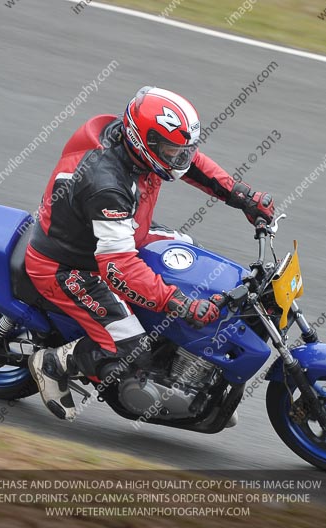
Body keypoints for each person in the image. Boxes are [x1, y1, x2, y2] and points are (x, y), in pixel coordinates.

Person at [26, 86, 275, 420]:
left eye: (183, 150)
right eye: (173, 151)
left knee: (192, 258)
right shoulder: (106, 185)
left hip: (122, 232)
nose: (181, 159)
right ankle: (54, 363)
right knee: (133, 350)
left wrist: (242, 197)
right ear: (145, 142)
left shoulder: (134, 144)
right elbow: (118, 268)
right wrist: (179, 303)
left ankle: (196, 375)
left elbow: (192, 164)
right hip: (72, 265)